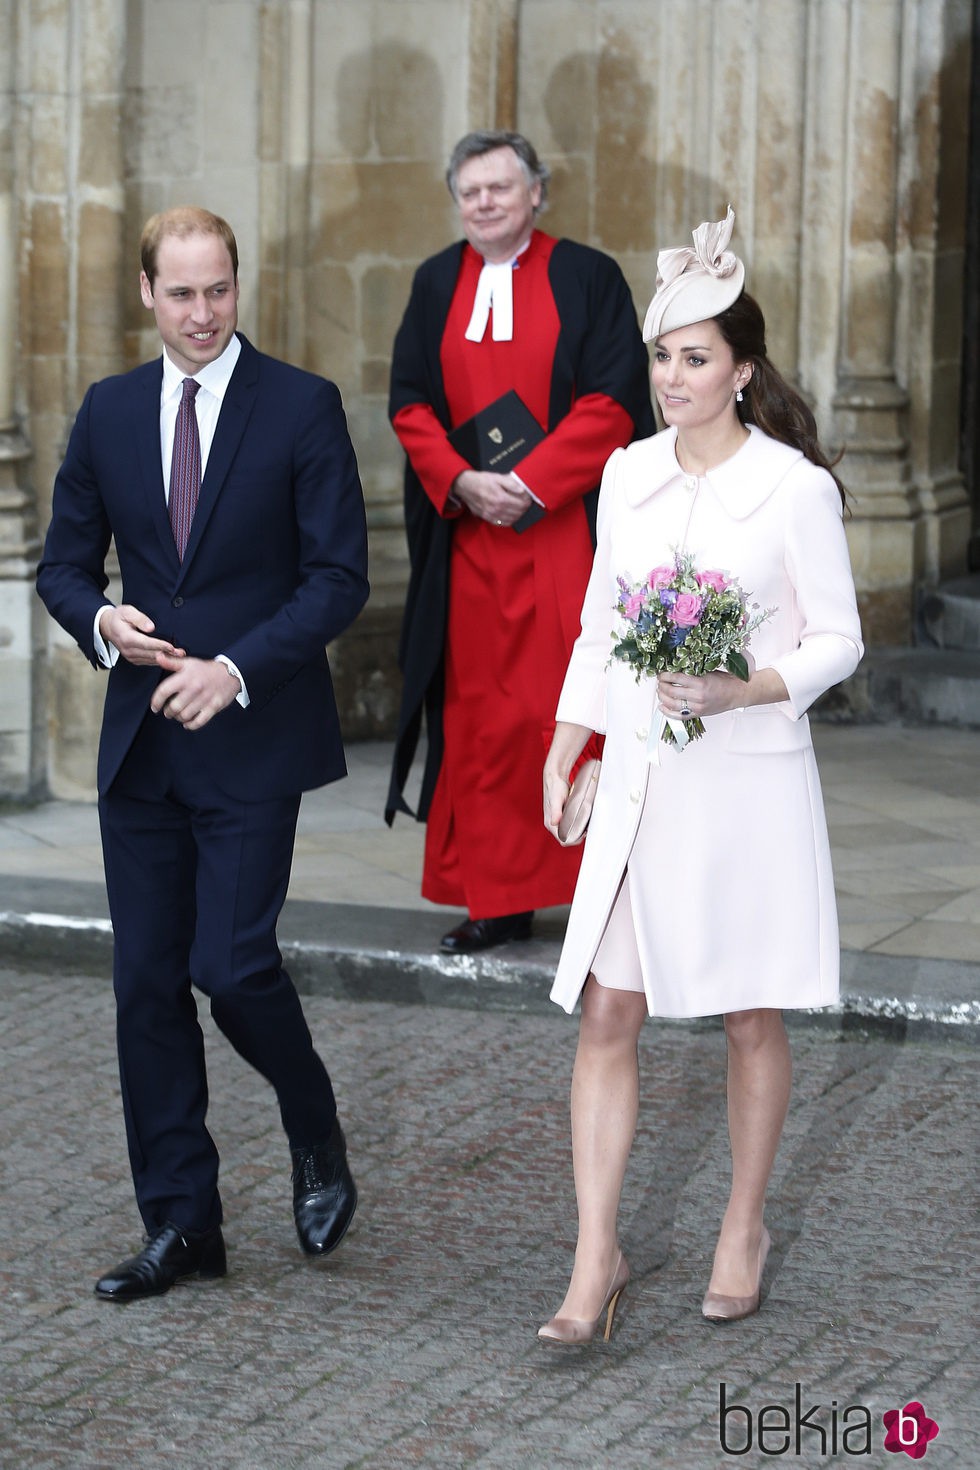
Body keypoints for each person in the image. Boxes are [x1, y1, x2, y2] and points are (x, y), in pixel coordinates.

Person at [539, 208, 863, 1344]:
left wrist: (744, 688)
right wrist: (570, 737)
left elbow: (837, 639)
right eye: (659, 356)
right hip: (638, 776)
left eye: (691, 358)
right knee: (606, 1009)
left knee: (743, 1015)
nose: (668, 377)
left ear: (738, 372)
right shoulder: (623, 476)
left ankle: (741, 1222)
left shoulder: (791, 487)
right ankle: (595, 1257)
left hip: (744, 780)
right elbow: (593, 623)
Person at [36, 206, 369, 1301]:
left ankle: (310, 1116)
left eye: (217, 290)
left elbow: (337, 579)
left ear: (237, 283)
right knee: (144, 987)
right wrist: (102, 623)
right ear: (147, 293)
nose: (200, 313)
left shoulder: (302, 406)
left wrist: (231, 670)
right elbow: (63, 566)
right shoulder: (110, 410)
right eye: (179, 293)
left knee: (228, 970)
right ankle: (184, 1224)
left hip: (251, 735)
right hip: (141, 750)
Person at [385, 130, 654, 953]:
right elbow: (408, 404)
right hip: (471, 544)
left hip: (565, 537)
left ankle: (601, 891)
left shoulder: (588, 275)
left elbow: (613, 401)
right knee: (484, 723)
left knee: (577, 708)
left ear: (536, 192)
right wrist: (464, 483)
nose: (486, 203)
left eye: (501, 188)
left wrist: (530, 482)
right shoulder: (435, 282)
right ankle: (498, 897)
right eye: (470, 192)